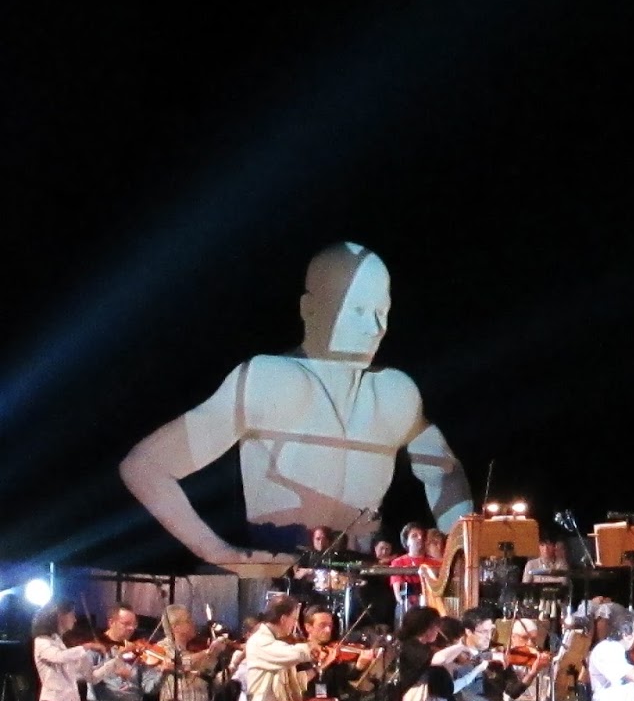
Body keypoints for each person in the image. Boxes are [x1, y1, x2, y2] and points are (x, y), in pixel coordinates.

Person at [118, 243, 472, 579]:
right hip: (280, 581)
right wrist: (219, 552)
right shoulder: (267, 379)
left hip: (362, 580)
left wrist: (463, 554)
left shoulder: (395, 393)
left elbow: (445, 473)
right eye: (358, 310)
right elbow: (145, 466)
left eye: (382, 312)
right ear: (310, 309)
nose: (375, 328)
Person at [388, 523, 438, 612]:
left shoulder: (434, 562)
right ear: (407, 542)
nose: (420, 538)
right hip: (408, 608)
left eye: (422, 536)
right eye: (414, 536)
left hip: (432, 606)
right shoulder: (398, 562)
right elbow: (399, 595)